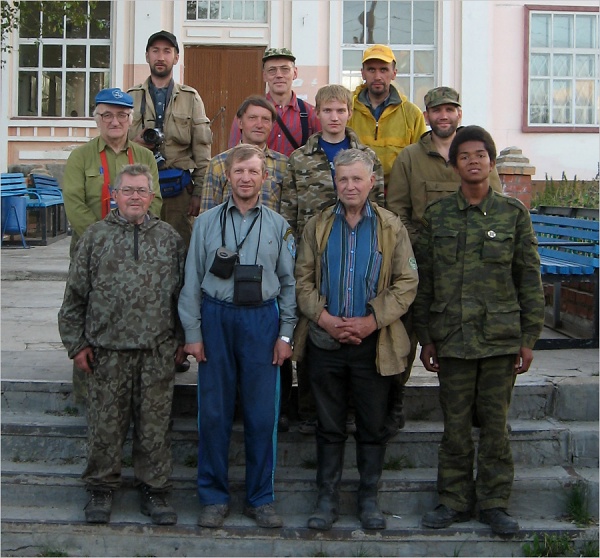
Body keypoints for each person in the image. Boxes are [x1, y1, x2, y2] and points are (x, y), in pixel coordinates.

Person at [413, 126, 545, 536]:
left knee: (494, 426)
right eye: (465, 155)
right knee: (454, 427)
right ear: (453, 165)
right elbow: (426, 280)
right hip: (451, 337)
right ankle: (452, 499)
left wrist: (528, 338)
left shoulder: (513, 214)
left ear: (491, 163)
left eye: (481, 155)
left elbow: (528, 277)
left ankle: (493, 502)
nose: (474, 161)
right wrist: (426, 336)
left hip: (499, 339)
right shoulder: (437, 216)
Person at [294, 148, 418, 531]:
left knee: (371, 425)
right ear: (335, 182)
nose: (349, 186)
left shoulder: (391, 227)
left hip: (372, 344)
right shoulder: (317, 225)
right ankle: (326, 499)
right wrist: (326, 319)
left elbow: (406, 282)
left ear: (371, 183)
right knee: (329, 426)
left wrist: (371, 321)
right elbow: (302, 280)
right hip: (325, 342)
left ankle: (368, 499)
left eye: (356, 179)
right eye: (343, 179)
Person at [58, 164, 186, 526]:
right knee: (105, 426)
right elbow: (74, 299)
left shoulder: (169, 238)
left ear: (151, 196)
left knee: (155, 426)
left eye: (141, 191)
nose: (134, 197)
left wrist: (180, 339)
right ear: (114, 195)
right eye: (127, 190)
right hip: (106, 352)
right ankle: (101, 489)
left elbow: (182, 297)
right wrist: (76, 344)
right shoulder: (95, 238)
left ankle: (155, 490)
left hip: (156, 352)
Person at [179, 144, 297, 529]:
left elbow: (288, 284)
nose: (246, 178)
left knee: (262, 415)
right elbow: (192, 281)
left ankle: (260, 498)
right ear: (227, 176)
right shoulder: (207, 223)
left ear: (264, 178)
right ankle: (213, 497)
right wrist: (193, 333)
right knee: (213, 413)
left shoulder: (279, 226)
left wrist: (285, 335)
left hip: (261, 322)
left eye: (253, 172)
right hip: (217, 319)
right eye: (239, 171)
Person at [385, 86, 504, 431]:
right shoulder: (410, 157)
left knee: (472, 336)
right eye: (437, 110)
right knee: (404, 337)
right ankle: (394, 400)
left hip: (471, 268)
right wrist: (423, 248)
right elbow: (398, 212)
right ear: (427, 116)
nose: (444, 115)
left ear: (459, 114)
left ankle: (479, 406)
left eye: (450, 109)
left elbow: (494, 206)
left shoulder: (474, 152)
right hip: (422, 262)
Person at [281, 84, 384, 435]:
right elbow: (290, 211)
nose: (334, 117)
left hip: (357, 251)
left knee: (356, 327)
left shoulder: (367, 156)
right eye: (327, 111)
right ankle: (312, 406)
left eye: (340, 110)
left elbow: (380, 209)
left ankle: (355, 407)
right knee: (314, 328)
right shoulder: (300, 159)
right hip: (314, 255)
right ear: (318, 115)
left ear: (349, 114)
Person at [63, 87, 162, 404]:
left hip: (138, 253)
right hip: (92, 256)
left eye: (121, 115)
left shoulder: (144, 156)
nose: (114, 121)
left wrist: (129, 237)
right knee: (91, 317)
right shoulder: (81, 157)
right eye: (107, 114)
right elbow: (75, 204)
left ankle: (134, 385)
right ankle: (87, 391)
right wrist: (105, 240)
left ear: (130, 120)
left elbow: (155, 201)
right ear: (97, 119)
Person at [128, 30, 212, 250]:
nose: (161, 56)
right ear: (147, 56)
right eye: (155, 51)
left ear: (176, 57)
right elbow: (117, 146)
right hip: (140, 189)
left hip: (178, 193)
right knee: (139, 248)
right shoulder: (131, 97)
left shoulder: (190, 98)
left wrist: (199, 194)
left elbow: (202, 150)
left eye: (167, 51)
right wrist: (135, 144)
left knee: (179, 250)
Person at [347, 44, 426, 189]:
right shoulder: (346, 109)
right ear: (363, 73)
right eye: (371, 70)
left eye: (383, 70)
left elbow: (420, 162)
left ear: (394, 73)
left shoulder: (412, 114)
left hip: (396, 194)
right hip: (354, 192)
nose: (377, 76)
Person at [228, 47, 321, 157]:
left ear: (295, 73)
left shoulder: (310, 113)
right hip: (258, 173)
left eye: (285, 69)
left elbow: (319, 156)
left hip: (294, 174)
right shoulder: (247, 113)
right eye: (272, 70)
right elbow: (233, 154)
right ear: (264, 76)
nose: (279, 75)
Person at [201, 95, 287, 213]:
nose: (259, 125)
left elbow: (288, 215)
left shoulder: (284, 164)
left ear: (272, 126)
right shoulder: (218, 164)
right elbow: (207, 214)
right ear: (240, 123)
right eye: (252, 118)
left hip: (270, 231)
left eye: (265, 119)